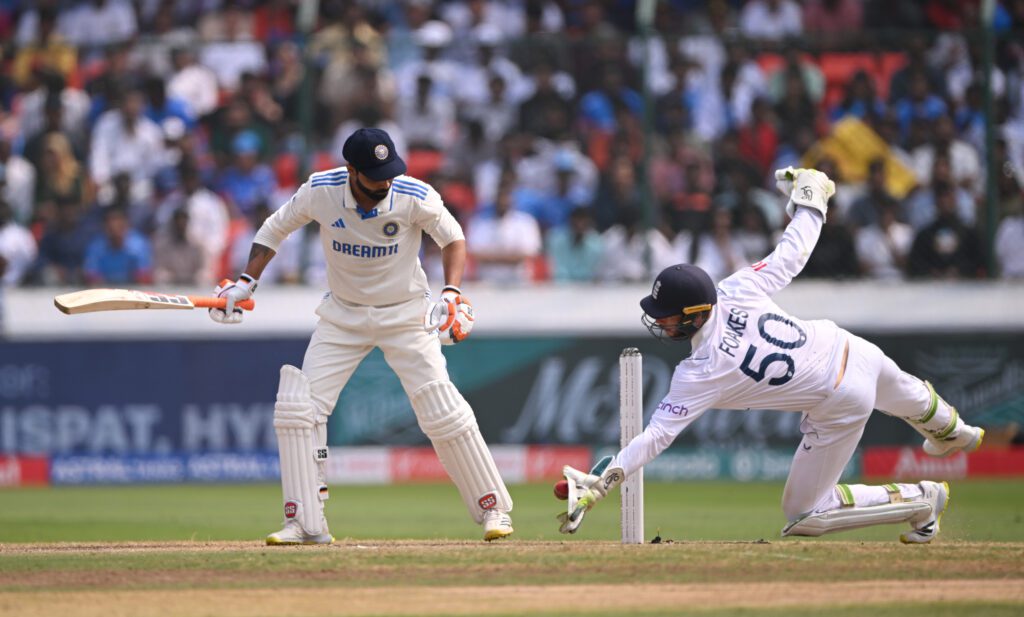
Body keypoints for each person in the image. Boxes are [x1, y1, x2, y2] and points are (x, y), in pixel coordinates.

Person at [558, 168, 984, 544]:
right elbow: (791, 254)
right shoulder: (734, 287)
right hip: (851, 347)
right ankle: (956, 428)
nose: (662, 325)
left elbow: (655, 438)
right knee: (910, 400)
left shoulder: (702, 370)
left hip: (839, 400)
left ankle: (922, 499)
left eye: (667, 318)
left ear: (693, 315)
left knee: (804, 514)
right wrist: (811, 200)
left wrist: (600, 483)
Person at [209, 128, 514, 545]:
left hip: (406, 314)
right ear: (351, 170)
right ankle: (305, 522)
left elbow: (453, 237)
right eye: (373, 175)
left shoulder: (412, 194)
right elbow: (273, 229)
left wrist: (452, 292)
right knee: (300, 409)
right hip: (343, 316)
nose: (384, 183)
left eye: (388, 173)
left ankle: (493, 508)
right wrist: (245, 282)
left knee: (440, 405)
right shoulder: (321, 191)